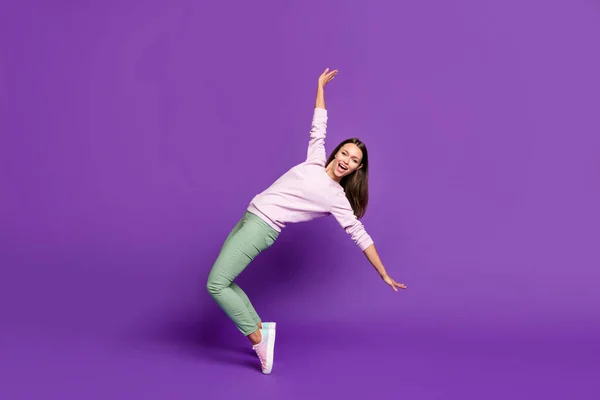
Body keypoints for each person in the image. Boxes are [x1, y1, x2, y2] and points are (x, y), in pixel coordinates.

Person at [206, 68, 407, 374]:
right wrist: (320, 87)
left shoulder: (336, 198)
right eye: (344, 153)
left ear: (357, 168)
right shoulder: (315, 158)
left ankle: (258, 339)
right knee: (226, 281)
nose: (345, 160)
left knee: (216, 284)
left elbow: (359, 235)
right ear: (337, 152)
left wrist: (384, 274)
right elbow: (319, 124)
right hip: (249, 216)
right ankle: (260, 326)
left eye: (353, 160)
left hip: (262, 228)